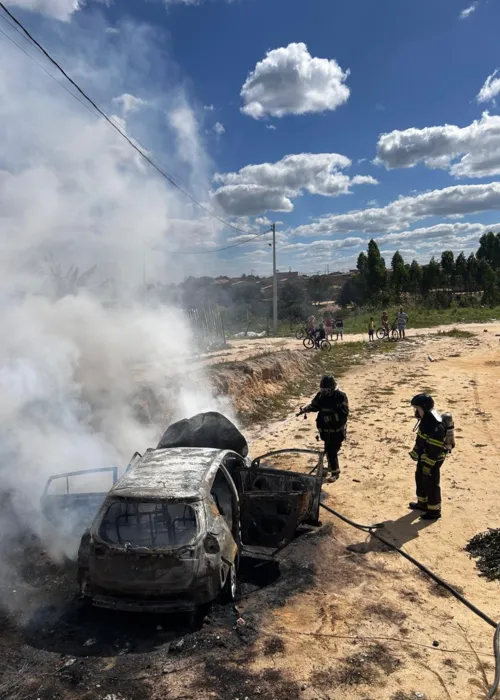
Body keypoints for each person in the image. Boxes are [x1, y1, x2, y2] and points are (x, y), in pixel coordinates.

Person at [299, 376, 349, 482]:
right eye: (322, 389)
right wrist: (306, 409)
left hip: (337, 430)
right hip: (325, 430)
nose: (324, 392)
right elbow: (315, 405)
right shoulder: (320, 396)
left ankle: (335, 472)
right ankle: (330, 468)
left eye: (326, 390)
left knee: (332, 450)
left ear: (331, 388)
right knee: (329, 449)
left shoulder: (340, 396)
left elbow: (344, 413)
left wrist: (331, 417)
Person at [408, 393, 447, 520]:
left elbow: (435, 448)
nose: (415, 412)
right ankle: (422, 503)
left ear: (424, 408)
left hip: (433, 459)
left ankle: (434, 511)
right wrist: (415, 453)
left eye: (417, 409)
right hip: (424, 456)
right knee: (420, 478)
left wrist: (429, 465)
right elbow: (421, 440)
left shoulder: (435, 424)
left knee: (431, 483)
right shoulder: (425, 420)